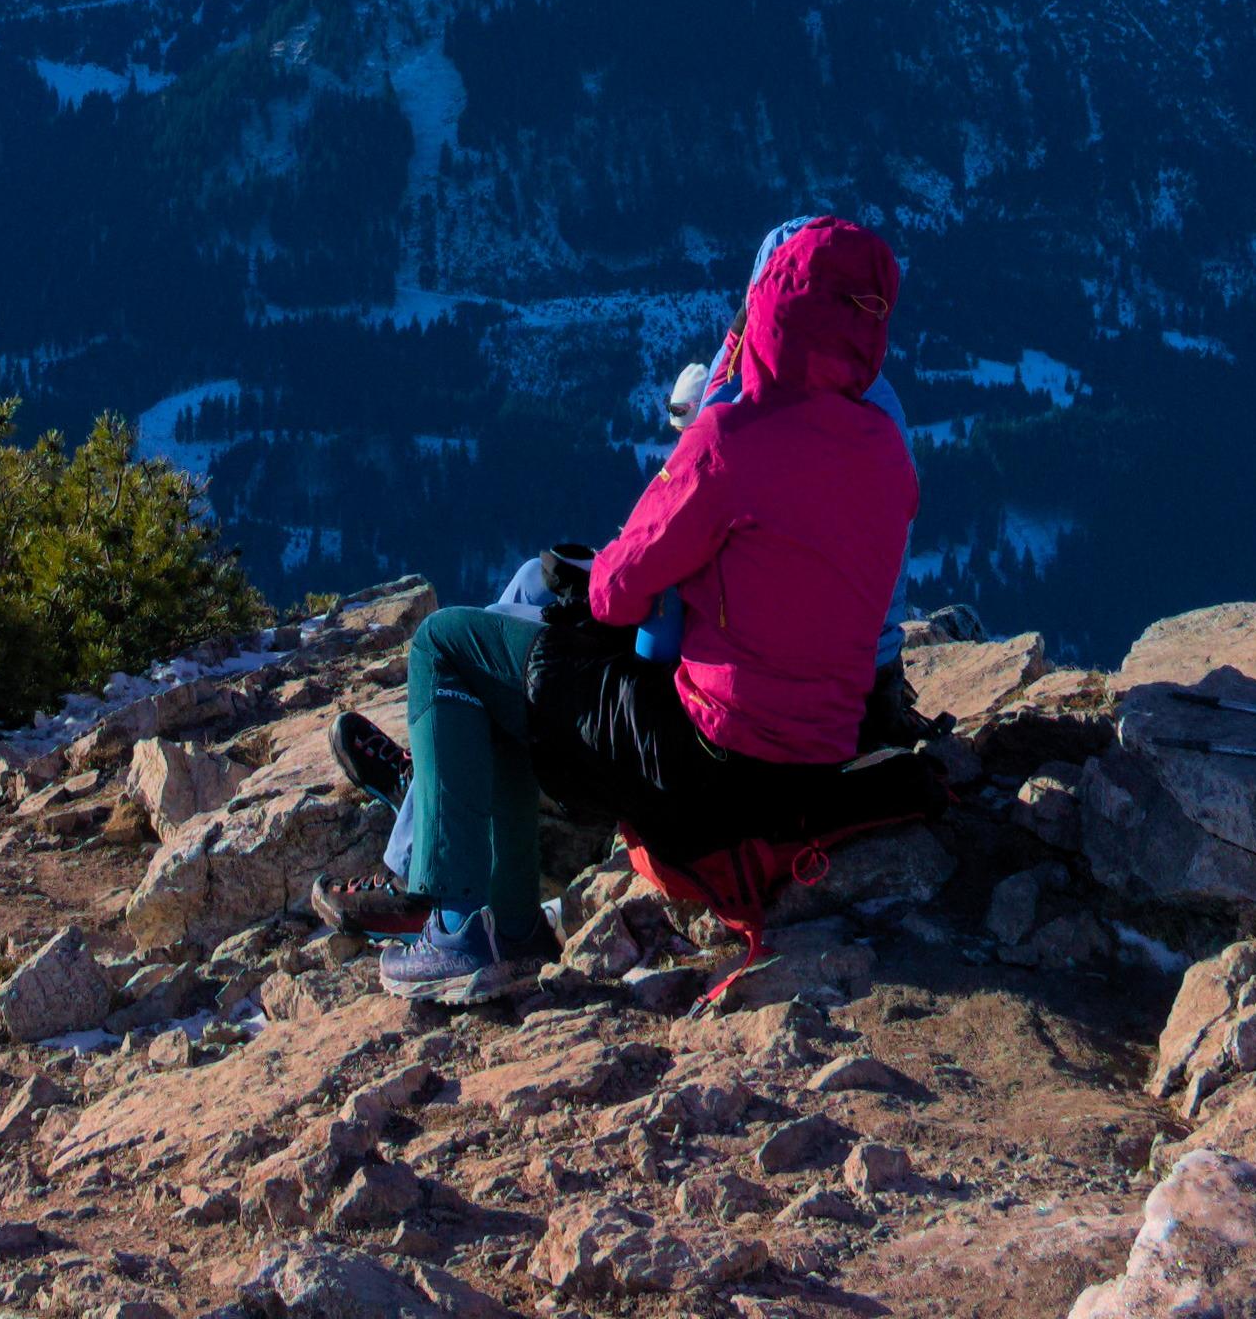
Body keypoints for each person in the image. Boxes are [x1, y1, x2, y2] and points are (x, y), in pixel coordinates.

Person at [370, 214, 923, 1003]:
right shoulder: (885, 449)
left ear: (768, 304)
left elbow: (614, 591)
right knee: (513, 658)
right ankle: (491, 913)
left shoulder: (732, 434)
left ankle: (467, 926)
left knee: (449, 646)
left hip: (704, 767)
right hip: (816, 764)